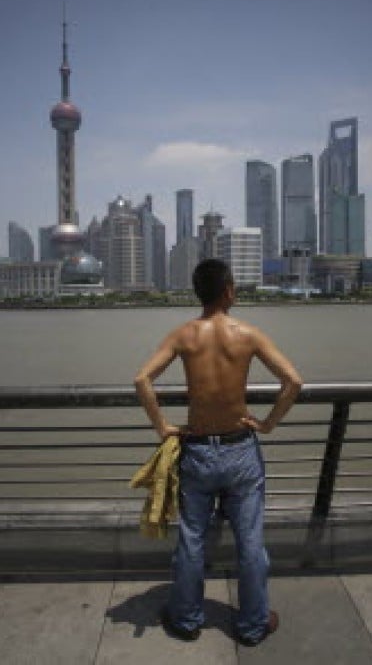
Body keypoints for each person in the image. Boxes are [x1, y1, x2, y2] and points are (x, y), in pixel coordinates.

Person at [134, 258, 302, 646]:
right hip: (240, 448)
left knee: (192, 538)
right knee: (250, 541)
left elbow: (142, 379)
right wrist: (268, 424)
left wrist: (162, 427)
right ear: (228, 291)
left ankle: (187, 618)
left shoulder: (183, 335)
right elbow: (293, 381)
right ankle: (252, 624)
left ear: (199, 292)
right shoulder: (249, 334)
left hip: (197, 451)